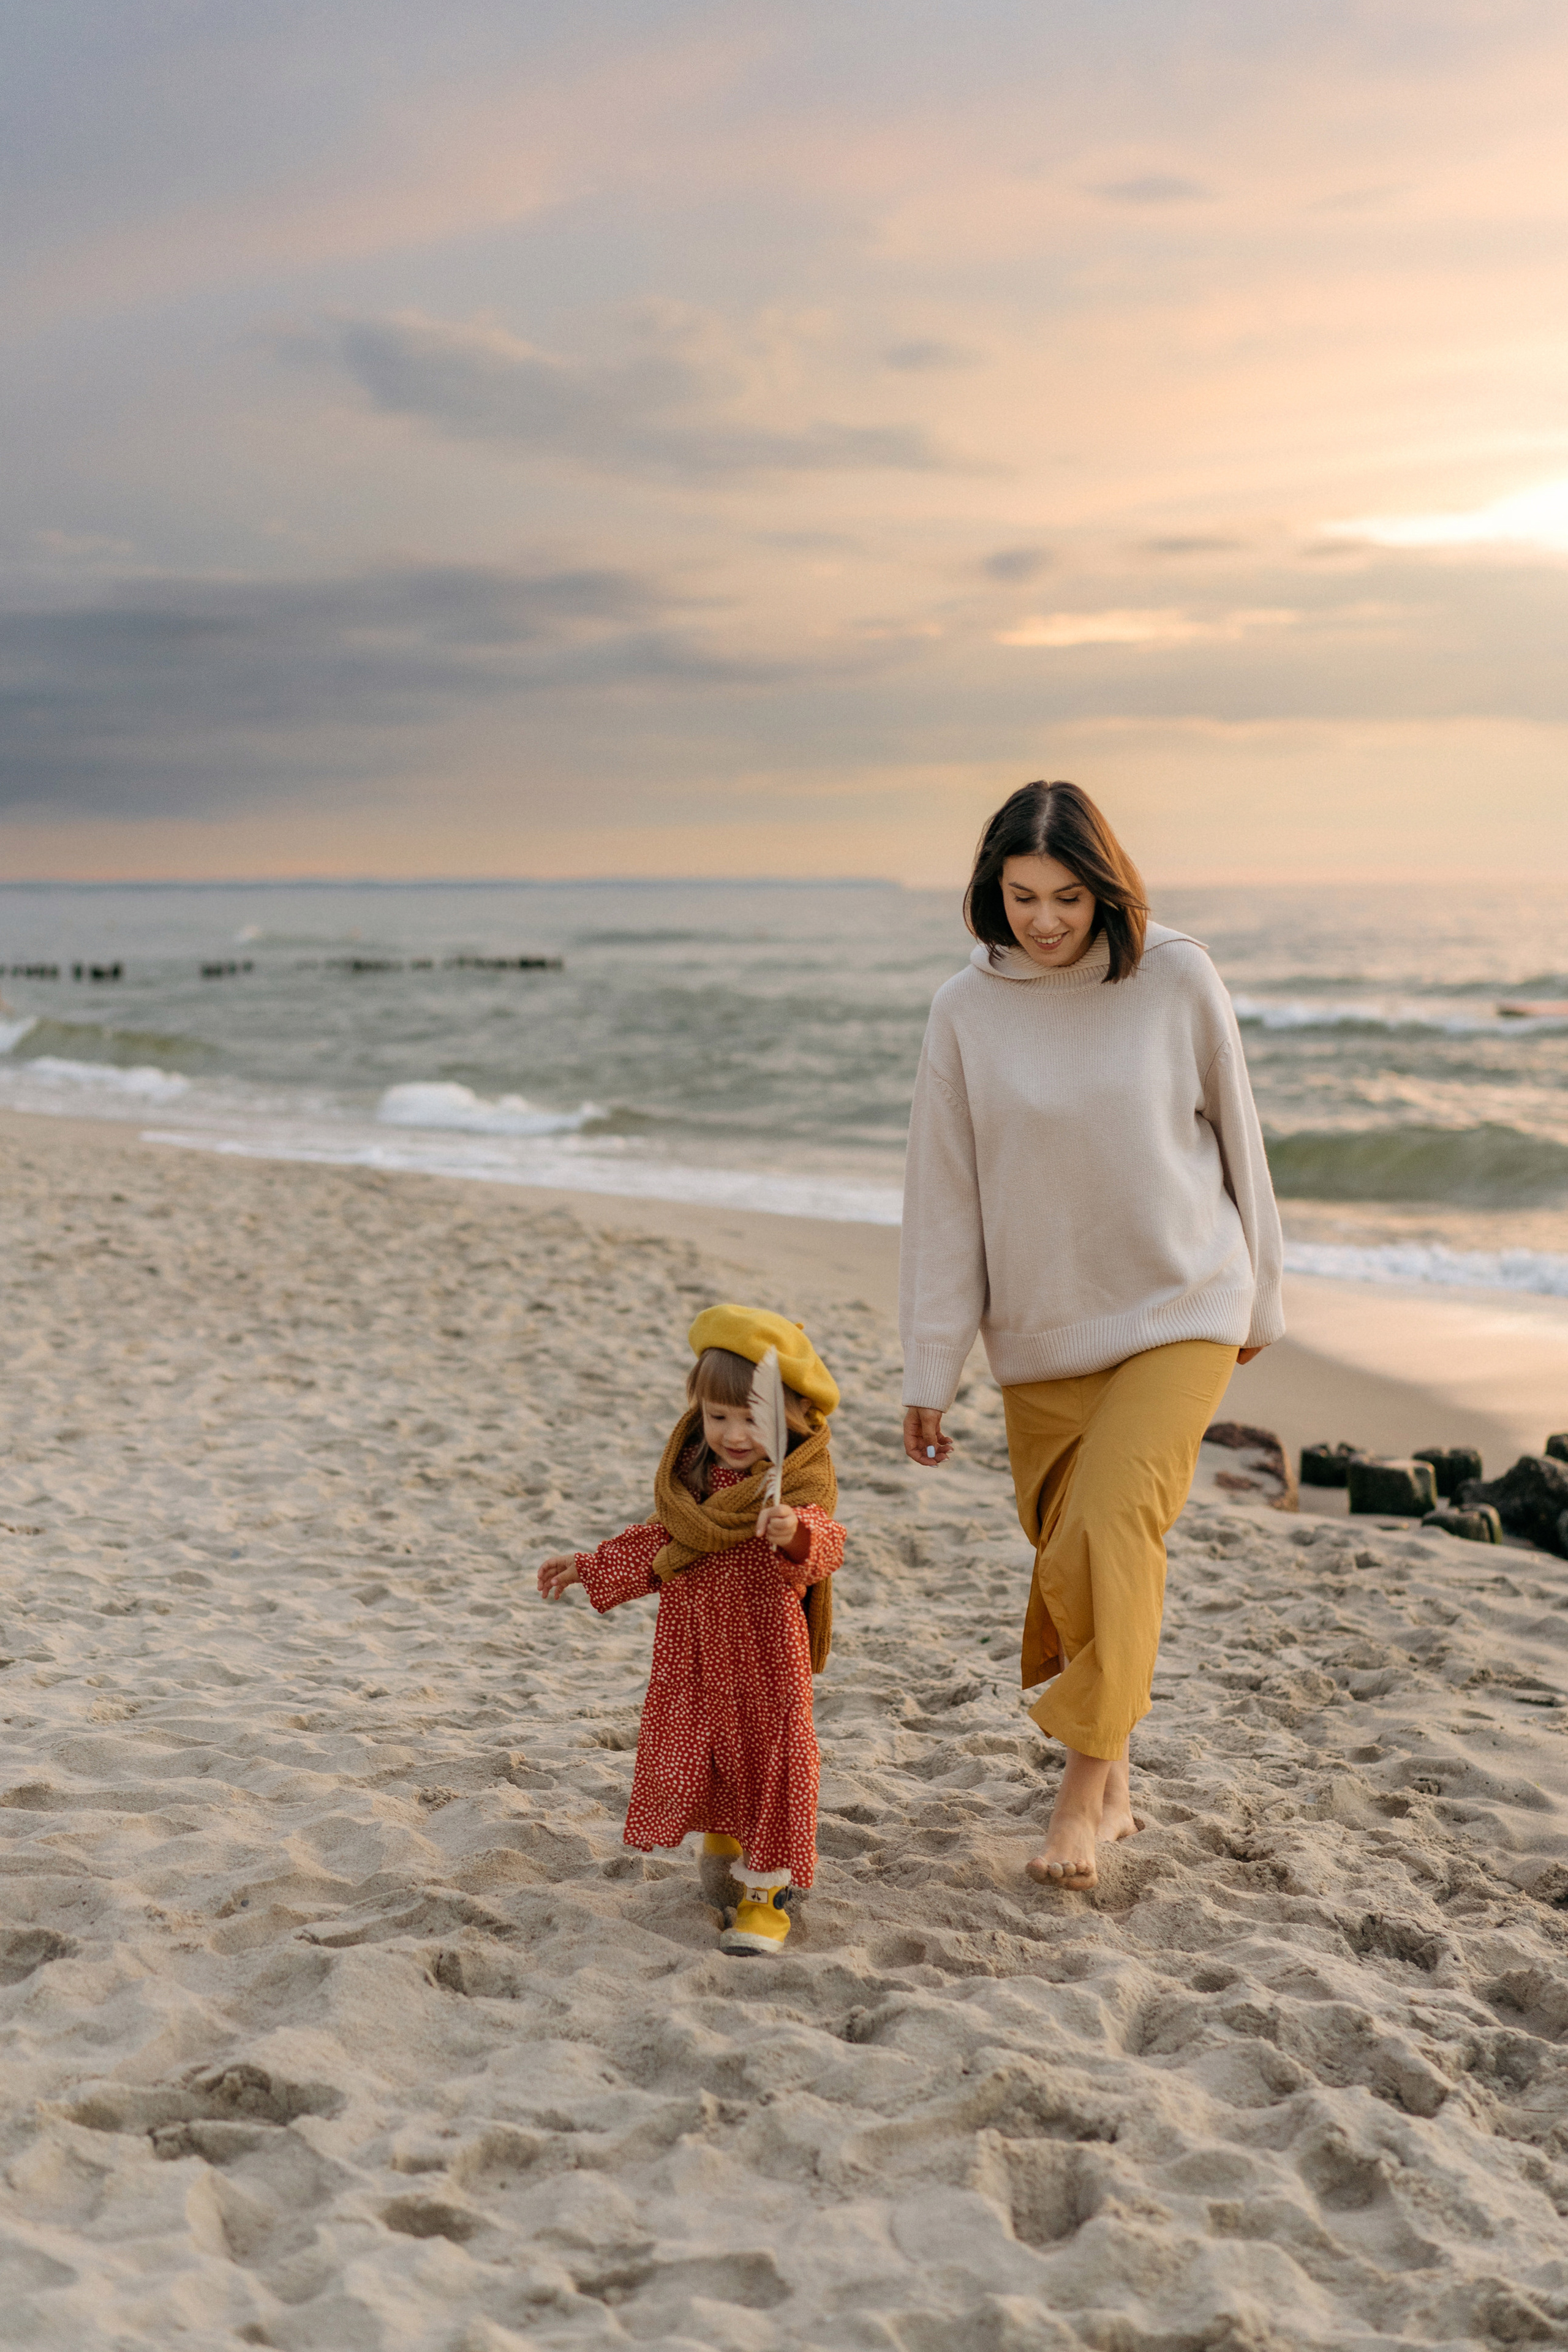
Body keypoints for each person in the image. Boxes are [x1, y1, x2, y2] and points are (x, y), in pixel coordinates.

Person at [900, 780, 1283, 1890]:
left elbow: (1239, 1137)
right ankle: (1116, 1787)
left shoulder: (1175, 976)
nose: (1047, 921)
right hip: (1042, 1335)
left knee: (1114, 1526)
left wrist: (1263, 1301)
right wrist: (933, 1369)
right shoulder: (963, 1013)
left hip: (1184, 1304)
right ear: (992, 892)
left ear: (1105, 886)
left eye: (1068, 896)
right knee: (1074, 1558)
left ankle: (1077, 1798)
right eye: (1023, 897)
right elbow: (946, 1200)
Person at [537, 1303, 845, 1956]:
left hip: (766, 1653)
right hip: (696, 1645)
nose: (734, 1433)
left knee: (770, 1758)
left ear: (789, 1414)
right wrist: (588, 1567)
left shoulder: (795, 1483)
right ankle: (723, 1837)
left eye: (752, 1417)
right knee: (699, 1748)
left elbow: (829, 1547)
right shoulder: (692, 1481)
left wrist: (797, 1534)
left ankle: (766, 1899)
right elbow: (659, 1542)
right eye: (718, 1416)